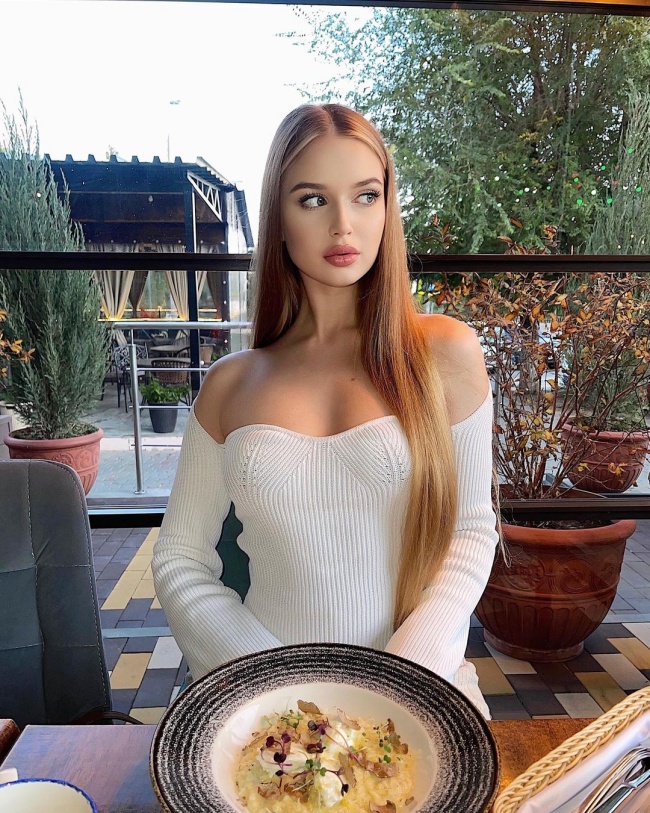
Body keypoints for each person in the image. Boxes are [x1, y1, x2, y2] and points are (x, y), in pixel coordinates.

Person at [152, 103, 498, 718]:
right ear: (278, 220)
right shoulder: (231, 383)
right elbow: (180, 560)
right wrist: (277, 689)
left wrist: (396, 680)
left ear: (387, 209)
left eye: (366, 196)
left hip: (418, 701)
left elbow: (470, 533)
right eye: (313, 200)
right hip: (270, 716)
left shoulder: (443, 353)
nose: (344, 225)